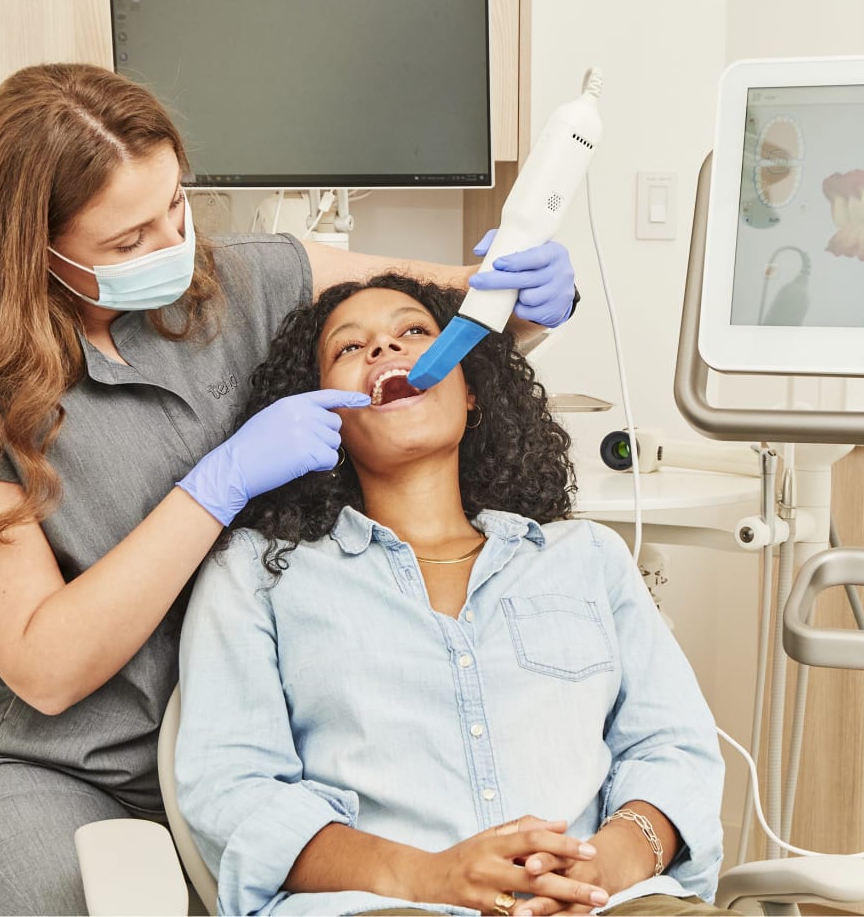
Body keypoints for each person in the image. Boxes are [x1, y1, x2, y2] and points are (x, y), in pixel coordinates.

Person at [0, 63, 579, 916]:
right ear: (32, 247)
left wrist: (533, 300)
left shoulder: (249, 279)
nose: (172, 249)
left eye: (174, 207)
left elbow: (447, 318)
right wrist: (215, 485)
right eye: (128, 242)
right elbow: (46, 669)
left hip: (253, 752)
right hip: (46, 763)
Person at [175, 273, 727, 917]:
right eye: (350, 347)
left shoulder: (588, 557)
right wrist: (430, 877)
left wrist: (601, 865)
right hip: (379, 907)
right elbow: (234, 790)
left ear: (471, 391)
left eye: (414, 331)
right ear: (320, 417)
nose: (385, 348)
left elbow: (672, 748)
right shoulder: (259, 573)